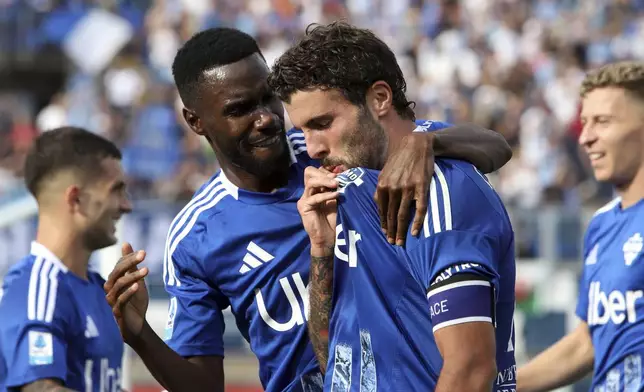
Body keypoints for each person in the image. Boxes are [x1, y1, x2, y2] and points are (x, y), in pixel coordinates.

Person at [103, 27, 512, 392]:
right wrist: (140, 335)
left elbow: (491, 147)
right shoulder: (196, 234)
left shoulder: (341, 152)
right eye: (240, 109)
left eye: (268, 99)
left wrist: (426, 143)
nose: (265, 119)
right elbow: (207, 381)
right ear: (196, 122)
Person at [269, 22, 516, 391]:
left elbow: (470, 369)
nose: (313, 148)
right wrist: (321, 250)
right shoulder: (348, 176)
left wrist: (427, 142)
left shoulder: (439, 189)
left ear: (380, 98)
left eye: (322, 123)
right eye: (304, 129)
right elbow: (337, 357)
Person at [517, 62, 644, 391]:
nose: (586, 138)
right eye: (584, 123)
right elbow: (585, 343)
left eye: (602, 122)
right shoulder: (602, 225)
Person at [0, 127, 131, 391]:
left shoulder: (96, 288)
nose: (126, 205)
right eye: (115, 190)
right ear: (76, 198)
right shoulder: (37, 287)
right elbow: (40, 389)